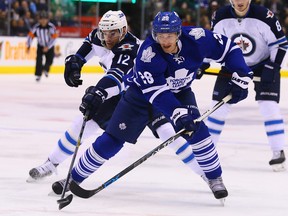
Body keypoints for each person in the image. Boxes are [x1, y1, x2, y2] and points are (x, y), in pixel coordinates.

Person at [52, 11, 253, 201]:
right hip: (140, 96)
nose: (164, 41)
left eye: (170, 35)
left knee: (197, 131)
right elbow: (158, 94)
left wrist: (242, 74)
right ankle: (74, 178)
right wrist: (177, 114)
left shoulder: (198, 37)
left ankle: (214, 178)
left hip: (180, 92)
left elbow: (229, 48)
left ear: (179, 32)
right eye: (160, 35)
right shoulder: (148, 54)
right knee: (112, 139)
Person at [27, 10, 205, 183]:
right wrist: (75, 62)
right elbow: (86, 48)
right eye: (104, 33)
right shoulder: (99, 36)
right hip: (116, 94)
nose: (108, 38)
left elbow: (116, 76)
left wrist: (98, 92)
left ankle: (206, 174)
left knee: (169, 134)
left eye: (113, 33)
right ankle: (50, 163)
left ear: (124, 31)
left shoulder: (130, 48)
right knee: (82, 125)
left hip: (144, 93)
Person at [204, 0, 287, 171]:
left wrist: (273, 66)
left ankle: (278, 151)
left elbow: (280, 44)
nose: (240, 1)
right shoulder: (220, 16)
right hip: (233, 65)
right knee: (217, 107)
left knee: (268, 106)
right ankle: (206, 151)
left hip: (263, 64)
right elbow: (214, 45)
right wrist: (202, 64)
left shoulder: (265, 16)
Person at [26, 10, 57, 82]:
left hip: (49, 46)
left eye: (45, 19)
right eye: (41, 19)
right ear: (39, 19)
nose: (43, 21)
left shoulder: (51, 27)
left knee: (50, 60)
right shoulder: (36, 27)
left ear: (47, 19)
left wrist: (48, 47)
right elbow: (30, 36)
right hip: (40, 46)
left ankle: (45, 69)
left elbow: (54, 38)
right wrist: (28, 46)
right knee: (38, 60)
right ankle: (38, 75)